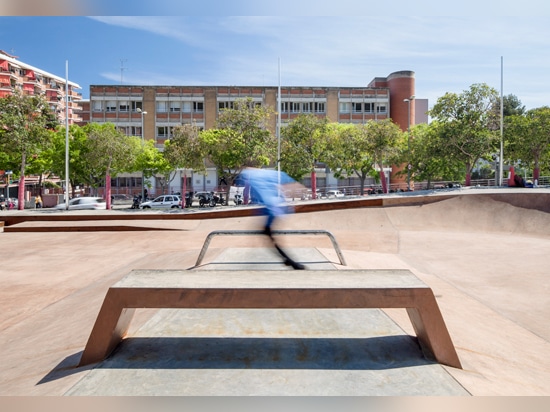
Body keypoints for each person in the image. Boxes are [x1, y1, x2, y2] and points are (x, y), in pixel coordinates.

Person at [237, 168, 306, 270]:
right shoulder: (273, 174)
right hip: (275, 207)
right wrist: (290, 199)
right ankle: (288, 259)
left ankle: (289, 260)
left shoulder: (249, 175)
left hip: (269, 208)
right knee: (270, 235)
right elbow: (298, 187)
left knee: (269, 235)